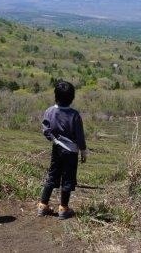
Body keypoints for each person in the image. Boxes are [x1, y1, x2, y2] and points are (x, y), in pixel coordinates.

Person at [37, 81, 88, 220]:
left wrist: (54, 139)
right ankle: (63, 209)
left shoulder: (50, 111)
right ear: (72, 97)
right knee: (68, 178)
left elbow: (46, 130)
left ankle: (43, 205)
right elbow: (79, 135)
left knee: (52, 175)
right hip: (71, 152)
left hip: (57, 149)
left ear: (56, 96)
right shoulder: (74, 115)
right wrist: (83, 150)